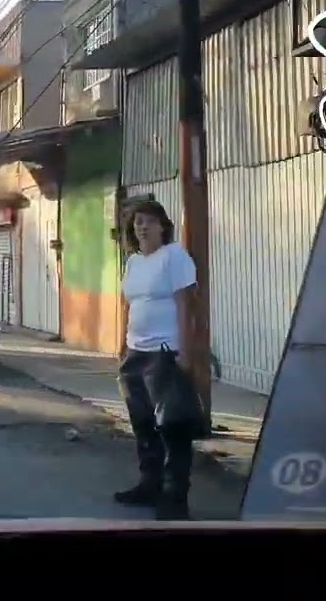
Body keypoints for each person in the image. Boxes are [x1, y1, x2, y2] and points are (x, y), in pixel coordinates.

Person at [113, 200, 204, 520]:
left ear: (163, 226)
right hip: (135, 354)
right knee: (143, 426)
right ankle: (148, 486)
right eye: (138, 221)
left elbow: (186, 305)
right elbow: (127, 305)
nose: (143, 227)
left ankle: (175, 498)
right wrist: (121, 346)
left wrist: (186, 353)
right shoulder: (134, 262)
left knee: (173, 428)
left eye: (150, 221)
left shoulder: (174, 256)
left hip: (165, 353)